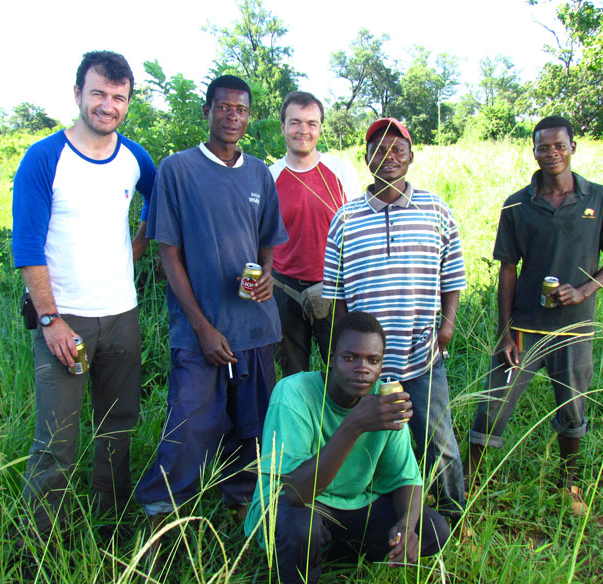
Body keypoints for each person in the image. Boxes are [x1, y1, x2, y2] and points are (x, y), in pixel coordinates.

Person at [12, 50, 156, 536]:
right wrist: (49, 318)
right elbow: (28, 244)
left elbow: (160, 203)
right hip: (65, 321)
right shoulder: (44, 158)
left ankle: (109, 522)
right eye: (98, 93)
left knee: (118, 428)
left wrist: (138, 243)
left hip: (122, 316)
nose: (107, 105)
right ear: (78, 94)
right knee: (57, 439)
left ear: (127, 102)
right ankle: (41, 542)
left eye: (118, 97)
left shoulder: (136, 159)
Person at [135, 75, 288, 523]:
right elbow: (168, 253)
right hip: (199, 329)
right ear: (207, 111)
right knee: (191, 424)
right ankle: (161, 512)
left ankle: (239, 499)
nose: (232, 116)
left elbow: (267, 242)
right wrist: (201, 326)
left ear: (249, 117)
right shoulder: (177, 169)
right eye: (223, 107)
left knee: (253, 424)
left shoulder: (259, 171)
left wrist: (268, 279)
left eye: (240, 110)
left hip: (254, 326)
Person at [466, 116, 603, 503]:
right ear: (533, 151)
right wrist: (504, 332)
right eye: (543, 147)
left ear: (574, 147)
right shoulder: (519, 204)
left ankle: (569, 487)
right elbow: (507, 269)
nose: (551, 153)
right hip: (525, 327)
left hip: (574, 328)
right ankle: (464, 491)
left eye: (559, 145)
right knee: (492, 409)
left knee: (572, 412)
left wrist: (584, 290)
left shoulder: (599, 199)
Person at [322, 118, 467, 520]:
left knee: (438, 440)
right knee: (367, 440)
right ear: (366, 158)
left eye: (397, 149)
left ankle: (455, 514)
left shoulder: (436, 209)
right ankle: (373, 510)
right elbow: (335, 295)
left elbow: (452, 275)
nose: (389, 157)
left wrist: (448, 325)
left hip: (421, 354)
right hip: (365, 365)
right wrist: (346, 353)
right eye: (379, 150)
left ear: (411, 157)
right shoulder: (345, 218)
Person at [244, 312, 449, 584]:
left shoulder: (383, 400)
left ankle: (333, 551)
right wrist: (353, 425)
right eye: (350, 358)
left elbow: (405, 478)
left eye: (373, 360)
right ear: (331, 359)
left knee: (433, 529)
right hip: (296, 505)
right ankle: (303, 564)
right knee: (301, 527)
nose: (362, 368)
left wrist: (405, 526)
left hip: (352, 506)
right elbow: (295, 493)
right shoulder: (293, 393)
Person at [269, 91, 360, 375]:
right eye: (295, 122)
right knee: (293, 372)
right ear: (283, 126)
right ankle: (300, 419)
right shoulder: (268, 175)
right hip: (283, 289)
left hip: (334, 288)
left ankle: (343, 420)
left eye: (311, 123)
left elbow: (357, 231)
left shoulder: (340, 171)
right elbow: (260, 236)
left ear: (320, 128)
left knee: (343, 368)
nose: (303, 131)